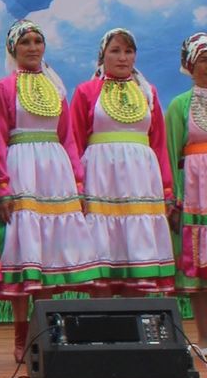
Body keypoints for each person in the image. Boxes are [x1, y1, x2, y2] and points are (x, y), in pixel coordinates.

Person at [0, 23, 102, 361]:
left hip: (54, 170)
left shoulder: (56, 88)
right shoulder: (4, 88)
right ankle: (21, 336)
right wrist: (3, 185)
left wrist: (78, 181)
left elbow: (67, 137)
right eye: (25, 42)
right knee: (27, 250)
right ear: (13, 49)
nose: (33, 47)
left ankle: (49, 332)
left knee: (50, 251)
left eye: (38, 41)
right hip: (22, 166)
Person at [69, 27, 176, 294]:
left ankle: (137, 325)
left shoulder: (148, 92)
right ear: (102, 55)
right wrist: (77, 185)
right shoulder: (86, 91)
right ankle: (102, 325)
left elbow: (159, 143)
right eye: (115, 51)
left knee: (137, 248)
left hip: (141, 178)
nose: (122, 57)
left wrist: (166, 188)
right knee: (103, 244)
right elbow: (75, 141)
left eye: (128, 51)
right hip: (101, 177)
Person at [167, 30, 207, 346]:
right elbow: (169, 152)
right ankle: (205, 339)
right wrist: (175, 198)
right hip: (196, 194)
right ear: (190, 64)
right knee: (200, 275)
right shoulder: (180, 105)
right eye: (204, 59)